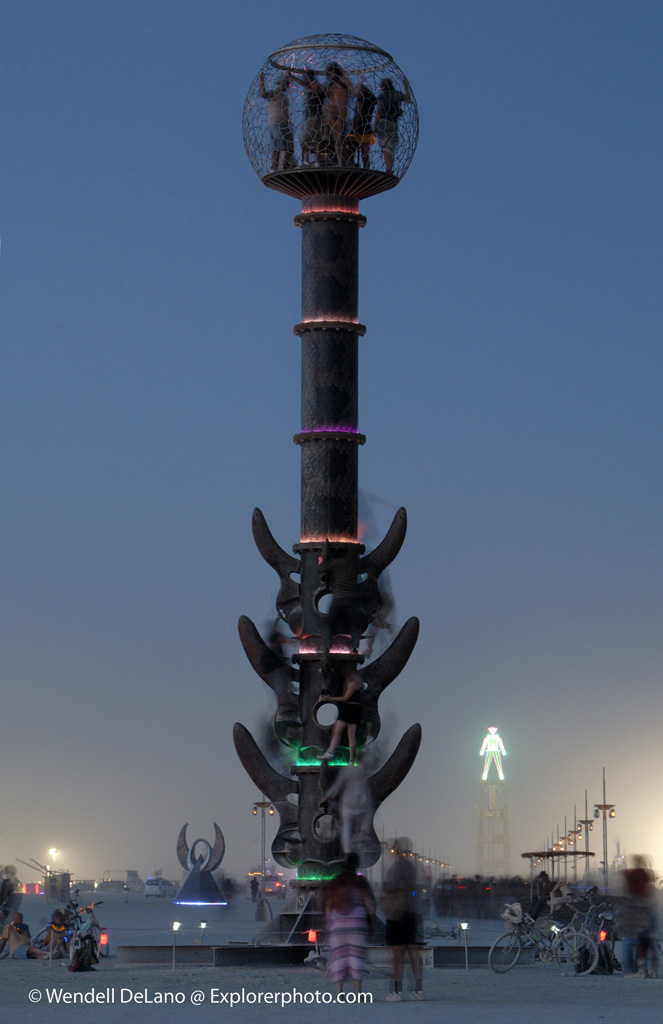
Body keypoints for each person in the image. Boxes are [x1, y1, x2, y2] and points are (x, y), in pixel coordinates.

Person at [324, 853, 375, 995]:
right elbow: (370, 904)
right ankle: (358, 992)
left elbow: (328, 904)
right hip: (357, 926)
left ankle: (340, 992)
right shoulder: (360, 881)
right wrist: (372, 919)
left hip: (337, 927)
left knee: (338, 957)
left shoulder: (336, 881)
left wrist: (329, 923)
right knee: (356, 957)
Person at [383, 844, 423, 1000]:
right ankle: (418, 990)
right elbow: (414, 889)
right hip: (412, 912)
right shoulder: (413, 868)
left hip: (397, 913)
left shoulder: (397, 867)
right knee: (413, 953)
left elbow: (390, 887)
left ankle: (396, 991)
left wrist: (386, 887)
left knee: (397, 955)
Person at [320, 672, 363, 764]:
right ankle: (351, 760)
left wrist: (330, 699)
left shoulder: (353, 684)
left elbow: (345, 698)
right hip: (355, 710)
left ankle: (331, 752)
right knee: (350, 736)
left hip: (349, 709)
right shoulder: (356, 684)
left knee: (338, 732)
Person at [374, 77, 412, 174]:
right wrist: (406, 87)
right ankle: (390, 169)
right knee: (391, 148)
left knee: (385, 147)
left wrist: (375, 125)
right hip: (394, 123)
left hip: (383, 122)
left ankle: (389, 170)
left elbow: (379, 110)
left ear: (383, 86)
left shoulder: (382, 95)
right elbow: (408, 101)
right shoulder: (398, 94)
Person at [259, 70, 294, 171]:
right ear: (283, 84)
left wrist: (288, 74)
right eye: (287, 84)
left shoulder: (283, 96)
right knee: (278, 147)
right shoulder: (275, 93)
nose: (289, 86)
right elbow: (263, 94)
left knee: (289, 148)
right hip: (276, 124)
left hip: (285, 124)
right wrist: (262, 81)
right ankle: (275, 166)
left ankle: (285, 165)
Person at [324, 62, 357, 166]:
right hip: (332, 109)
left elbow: (354, 93)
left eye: (331, 72)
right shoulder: (331, 84)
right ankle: (339, 162)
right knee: (336, 138)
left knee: (340, 136)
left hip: (342, 109)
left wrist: (360, 84)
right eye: (329, 74)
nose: (330, 75)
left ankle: (344, 159)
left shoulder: (344, 80)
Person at [291, 69, 325, 165]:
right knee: (314, 141)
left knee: (306, 140)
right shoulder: (313, 87)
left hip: (314, 118)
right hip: (314, 118)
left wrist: (292, 77)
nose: (305, 79)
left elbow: (305, 84)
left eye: (306, 77)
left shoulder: (316, 87)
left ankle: (307, 161)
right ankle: (313, 162)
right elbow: (304, 84)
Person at [344, 83, 377, 169]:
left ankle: (351, 166)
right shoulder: (370, 102)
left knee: (351, 149)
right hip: (367, 129)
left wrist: (353, 128)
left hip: (358, 129)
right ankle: (366, 168)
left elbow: (358, 114)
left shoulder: (360, 101)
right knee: (365, 154)